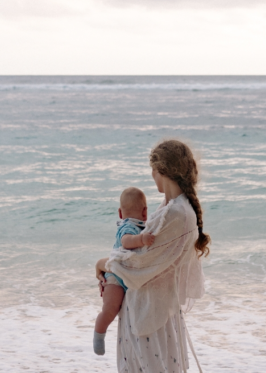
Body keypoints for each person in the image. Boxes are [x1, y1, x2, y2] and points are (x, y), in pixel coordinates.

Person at [94, 140, 210, 372]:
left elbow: (138, 264)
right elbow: (142, 258)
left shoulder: (176, 213)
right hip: (148, 311)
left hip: (151, 318)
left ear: (162, 170)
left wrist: (103, 264)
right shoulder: (170, 208)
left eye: (153, 170)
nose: (151, 175)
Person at [93, 187, 155, 355]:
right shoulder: (128, 226)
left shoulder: (143, 227)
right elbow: (126, 241)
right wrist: (141, 239)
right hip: (114, 276)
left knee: (120, 307)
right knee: (110, 309)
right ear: (145, 212)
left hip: (125, 274)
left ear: (120, 212)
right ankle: (99, 334)